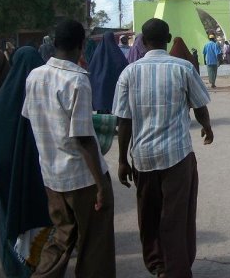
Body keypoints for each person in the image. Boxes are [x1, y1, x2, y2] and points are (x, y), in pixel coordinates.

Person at [113, 18, 213, 277]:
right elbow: (200, 106)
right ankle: (177, 269)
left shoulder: (129, 72)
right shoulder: (183, 68)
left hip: (143, 158)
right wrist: (207, 127)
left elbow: (123, 120)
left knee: (149, 216)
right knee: (177, 217)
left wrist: (122, 160)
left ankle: (158, 266)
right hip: (177, 156)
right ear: (167, 39)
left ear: (143, 42)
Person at [22, 19, 116, 278]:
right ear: (81, 45)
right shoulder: (77, 80)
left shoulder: (34, 76)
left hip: (52, 176)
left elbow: (31, 118)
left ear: (54, 44)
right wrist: (101, 186)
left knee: (62, 236)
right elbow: (83, 138)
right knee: (95, 243)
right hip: (81, 177)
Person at [0, 47, 51, 277]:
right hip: (36, 179)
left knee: (9, 220)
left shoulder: (0, 104)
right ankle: (35, 267)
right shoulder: (41, 100)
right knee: (36, 222)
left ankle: (14, 268)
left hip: (5, 177)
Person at [89, 31, 129, 114]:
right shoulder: (118, 53)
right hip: (114, 91)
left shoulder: (97, 53)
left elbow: (91, 70)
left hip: (100, 90)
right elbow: (124, 67)